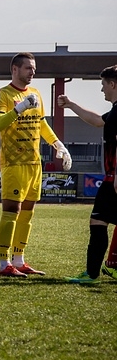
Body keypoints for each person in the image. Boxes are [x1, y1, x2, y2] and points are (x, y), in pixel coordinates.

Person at [0, 52, 72, 277]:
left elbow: (41, 123)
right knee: (11, 211)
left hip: (34, 163)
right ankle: (4, 263)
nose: (32, 72)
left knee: (27, 213)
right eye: (28, 68)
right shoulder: (3, 94)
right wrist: (19, 108)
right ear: (15, 69)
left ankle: (19, 260)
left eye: (34, 68)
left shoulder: (35, 93)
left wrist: (57, 144)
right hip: (14, 163)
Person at [58, 65, 117, 283]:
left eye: (103, 85)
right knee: (99, 220)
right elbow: (98, 121)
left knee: (98, 221)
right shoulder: (115, 112)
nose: (102, 90)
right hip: (111, 176)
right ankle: (94, 272)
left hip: (114, 177)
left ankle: (92, 274)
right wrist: (72, 104)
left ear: (113, 84)